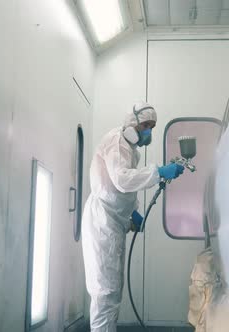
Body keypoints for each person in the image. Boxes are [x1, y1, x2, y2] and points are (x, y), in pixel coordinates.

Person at [81, 102, 184, 331]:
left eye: (152, 127)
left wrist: (132, 212)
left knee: (112, 290)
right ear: (133, 123)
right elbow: (122, 180)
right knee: (104, 292)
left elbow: (118, 186)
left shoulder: (130, 150)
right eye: (147, 125)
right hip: (103, 221)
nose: (149, 132)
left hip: (115, 221)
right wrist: (158, 172)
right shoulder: (117, 142)